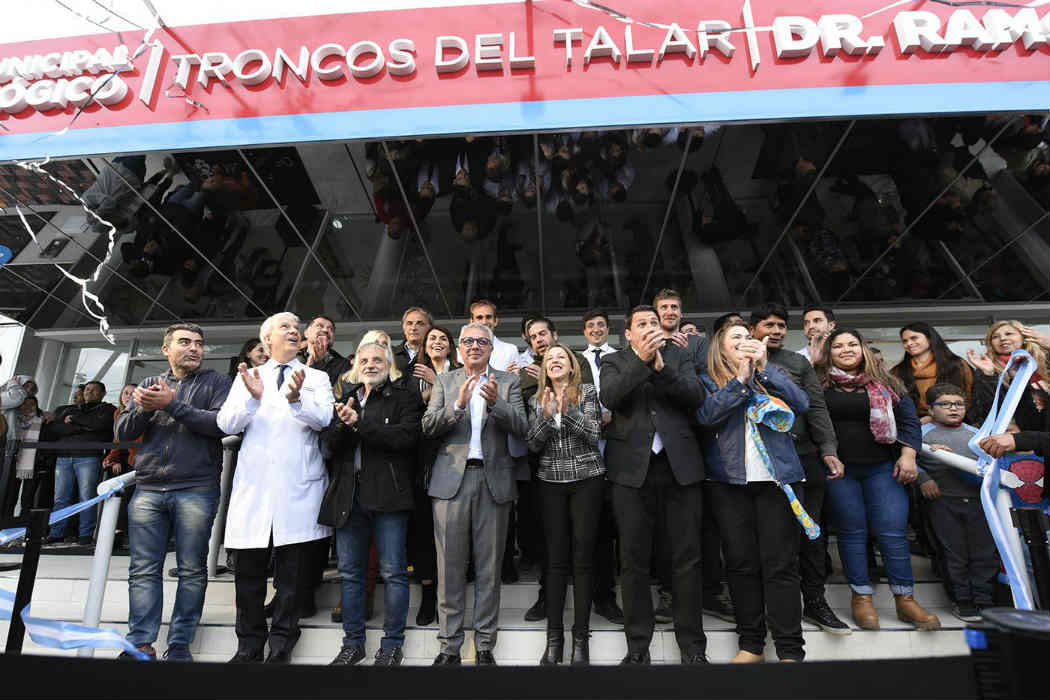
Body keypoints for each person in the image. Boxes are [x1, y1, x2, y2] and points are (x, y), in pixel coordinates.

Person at [217, 312, 335, 664]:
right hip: (255, 489)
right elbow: (226, 423)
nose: (293, 332)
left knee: (291, 578)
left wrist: (297, 398)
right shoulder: (248, 377)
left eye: (296, 328)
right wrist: (252, 399)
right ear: (266, 340)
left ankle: (281, 645)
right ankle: (249, 645)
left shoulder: (316, 377)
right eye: (285, 327)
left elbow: (324, 419)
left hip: (298, 489)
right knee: (249, 576)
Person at [115, 323, 232, 662]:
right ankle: (140, 642)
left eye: (199, 343)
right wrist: (144, 407)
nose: (194, 348)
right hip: (149, 488)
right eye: (184, 342)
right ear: (166, 349)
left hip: (196, 488)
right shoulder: (150, 383)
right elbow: (123, 433)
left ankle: (179, 644)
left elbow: (220, 425)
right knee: (142, 569)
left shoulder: (218, 383)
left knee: (192, 569)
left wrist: (172, 404)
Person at [600, 305, 707, 665]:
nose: (649, 328)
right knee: (633, 561)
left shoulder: (679, 355)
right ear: (628, 333)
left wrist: (661, 369)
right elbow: (610, 397)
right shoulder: (614, 361)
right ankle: (638, 647)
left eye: (653, 323)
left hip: (681, 470)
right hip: (631, 473)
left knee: (687, 560)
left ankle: (692, 647)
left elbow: (696, 397)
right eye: (641, 324)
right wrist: (642, 361)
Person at [697, 322, 810, 662]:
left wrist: (764, 370)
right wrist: (741, 381)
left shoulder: (773, 374)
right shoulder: (707, 381)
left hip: (777, 482)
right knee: (741, 565)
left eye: (749, 338)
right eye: (737, 338)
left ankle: (790, 649)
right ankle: (751, 645)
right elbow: (707, 415)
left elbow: (801, 403)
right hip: (730, 484)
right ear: (721, 349)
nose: (745, 342)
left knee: (781, 566)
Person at [819, 328, 941, 631]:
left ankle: (905, 600)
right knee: (852, 532)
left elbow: (909, 423)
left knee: (893, 531)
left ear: (862, 349)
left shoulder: (888, 382)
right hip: (839, 472)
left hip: (883, 468)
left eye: (852, 344)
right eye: (838, 346)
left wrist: (909, 455)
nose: (846, 350)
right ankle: (861, 597)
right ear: (828, 352)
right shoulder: (818, 384)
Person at [422, 322, 528, 666]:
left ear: (491, 348)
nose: (474, 346)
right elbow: (428, 426)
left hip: (493, 482)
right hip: (451, 483)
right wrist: (457, 406)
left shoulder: (509, 381)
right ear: (459, 348)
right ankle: (449, 646)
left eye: (482, 342)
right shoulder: (445, 380)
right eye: (468, 341)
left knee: (489, 568)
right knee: (449, 568)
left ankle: (484, 645)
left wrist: (497, 404)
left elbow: (523, 428)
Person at [319, 342, 423, 666]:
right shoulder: (346, 396)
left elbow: (404, 439)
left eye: (378, 359)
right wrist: (342, 423)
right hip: (349, 497)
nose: (370, 364)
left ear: (389, 365)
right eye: (364, 360)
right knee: (350, 574)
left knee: (393, 573)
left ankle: (392, 645)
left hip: (389, 496)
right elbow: (328, 447)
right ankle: (353, 643)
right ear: (355, 364)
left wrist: (359, 422)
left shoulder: (405, 397)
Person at [749, 304, 849, 635]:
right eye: (769, 324)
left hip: (803, 455)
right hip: (759, 463)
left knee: (811, 535)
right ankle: (768, 605)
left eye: (781, 326)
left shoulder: (798, 362)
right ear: (753, 328)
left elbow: (815, 407)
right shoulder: (737, 357)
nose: (776, 331)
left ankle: (816, 601)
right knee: (769, 540)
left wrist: (829, 449)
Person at [526, 345, 604, 665]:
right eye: (550, 359)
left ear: (572, 367)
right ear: (545, 369)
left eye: (562, 357)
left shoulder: (586, 391)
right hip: (551, 483)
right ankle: (554, 640)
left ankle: (581, 640)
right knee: (556, 562)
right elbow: (532, 442)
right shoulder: (536, 399)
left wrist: (568, 409)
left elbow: (595, 433)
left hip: (587, 480)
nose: (555, 361)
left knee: (583, 560)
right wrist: (546, 417)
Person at [917, 383, 997, 622]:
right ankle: (962, 600)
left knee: (983, 553)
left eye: (959, 404)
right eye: (945, 404)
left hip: (977, 502)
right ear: (931, 410)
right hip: (943, 501)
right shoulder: (922, 434)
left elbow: (990, 464)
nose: (953, 408)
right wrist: (924, 478)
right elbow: (908, 459)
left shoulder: (977, 434)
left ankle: (984, 600)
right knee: (954, 553)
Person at [411, 326, 461, 626]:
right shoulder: (413, 374)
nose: (438, 342)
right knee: (423, 534)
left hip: (456, 459)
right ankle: (429, 595)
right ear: (425, 347)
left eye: (444, 338)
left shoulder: (461, 371)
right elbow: (408, 412)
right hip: (422, 462)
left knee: (452, 534)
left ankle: (452, 593)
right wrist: (430, 391)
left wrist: (441, 383)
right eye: (433, 339)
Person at [579, 309, 624, 624]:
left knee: (610, 526)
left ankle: (607, 595)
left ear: (609, 330)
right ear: (584, 331)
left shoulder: (620, 358)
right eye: (591, 326)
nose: (596, 329)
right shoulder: (575, 359)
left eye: (601, 325)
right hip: (582, 449)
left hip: (617, 448)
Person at [44, 381, 115, 546]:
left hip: (88, 457)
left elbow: (99, 426)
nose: (88, 392)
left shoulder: (107, 409)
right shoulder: (69, 409)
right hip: (63, 458)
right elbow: (56, 429)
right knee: (61, 498)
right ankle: (57, 533)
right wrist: (83, 426)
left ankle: (85, 534)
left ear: (103, 393)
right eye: (87, 389)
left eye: (93, 390)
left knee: (87, 497)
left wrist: (75, 420)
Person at [968, 320, 1049, 434]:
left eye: (1009, 334)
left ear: (1024, 337)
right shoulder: (986, 368)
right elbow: (983, 410)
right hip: (1010, 435)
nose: (1002, 338)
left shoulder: (1044, 361)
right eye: (995, 337)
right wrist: (989, 376)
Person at [891, 322, 975, 419]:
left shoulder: (956, 365)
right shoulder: (897, 371)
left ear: (930, 338)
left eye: (914, 338)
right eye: (905, 341)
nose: (909, 343)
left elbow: (969, 398)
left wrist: (936, 418)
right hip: (912, 426)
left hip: (955, 424)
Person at [103, 383, 138, 549]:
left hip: (141, 460)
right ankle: (118, 534)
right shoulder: (118, 413)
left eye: (132, 393)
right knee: (121, 498)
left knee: (135, 501)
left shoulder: (142, 412)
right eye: (125, 393)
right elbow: (118, 439)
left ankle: (132, 536)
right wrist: (113, 457)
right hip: (127, 460)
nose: (128, 396)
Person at [298, 315, 352, 388]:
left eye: (331, 329)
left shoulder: (344, 365)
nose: (326, 330)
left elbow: (338, 394)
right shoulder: (292, 358)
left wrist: (318, 364)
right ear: (306, 333)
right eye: (319, 326)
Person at [467, 300, 520, 372]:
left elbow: (515, 380)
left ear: (495, 321)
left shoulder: (510, 350)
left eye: (488, 317)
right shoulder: (461, 353)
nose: (484, 322)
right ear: (471, 322)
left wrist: (507, 378)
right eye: (479, 318)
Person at [393, 307, 433, 374]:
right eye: (409, 323)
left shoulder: (436, 355)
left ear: (430, 328)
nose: (413, 328)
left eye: (420, 324)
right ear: (404, 328)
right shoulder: (390, 354)